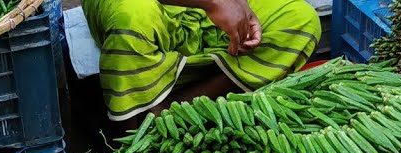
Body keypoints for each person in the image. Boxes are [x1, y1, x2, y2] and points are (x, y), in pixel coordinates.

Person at [83, 0, 321, 122]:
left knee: (300, 18)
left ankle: (172, 109)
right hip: (146, 7)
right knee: (131, 20)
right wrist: (214, 2)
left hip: (207, 13)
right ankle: (130, 139)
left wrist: (239, 7)